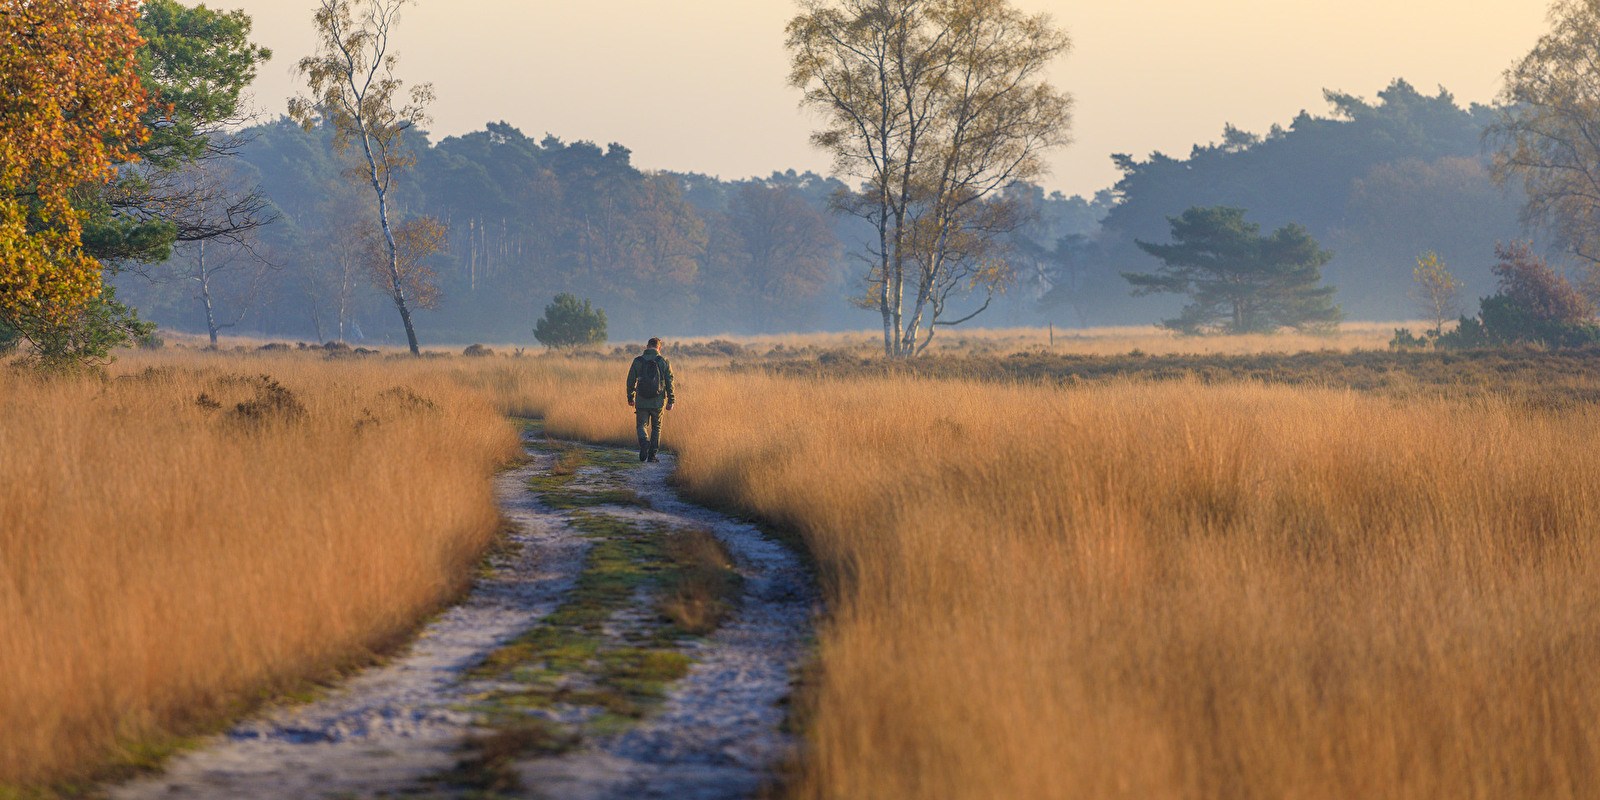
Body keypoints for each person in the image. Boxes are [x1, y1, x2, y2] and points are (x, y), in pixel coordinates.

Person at [626, 337, 675, 463]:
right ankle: (652, 456)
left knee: (641, 425)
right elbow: (670, 382)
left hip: (641, 401)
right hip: (657, 401)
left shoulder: (638, 361)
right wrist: (671, 400)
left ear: (647, 346)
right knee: (656, 428)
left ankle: (644, 442)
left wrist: (630, 397)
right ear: (659, 348)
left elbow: (630, 380)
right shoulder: (664, 361)